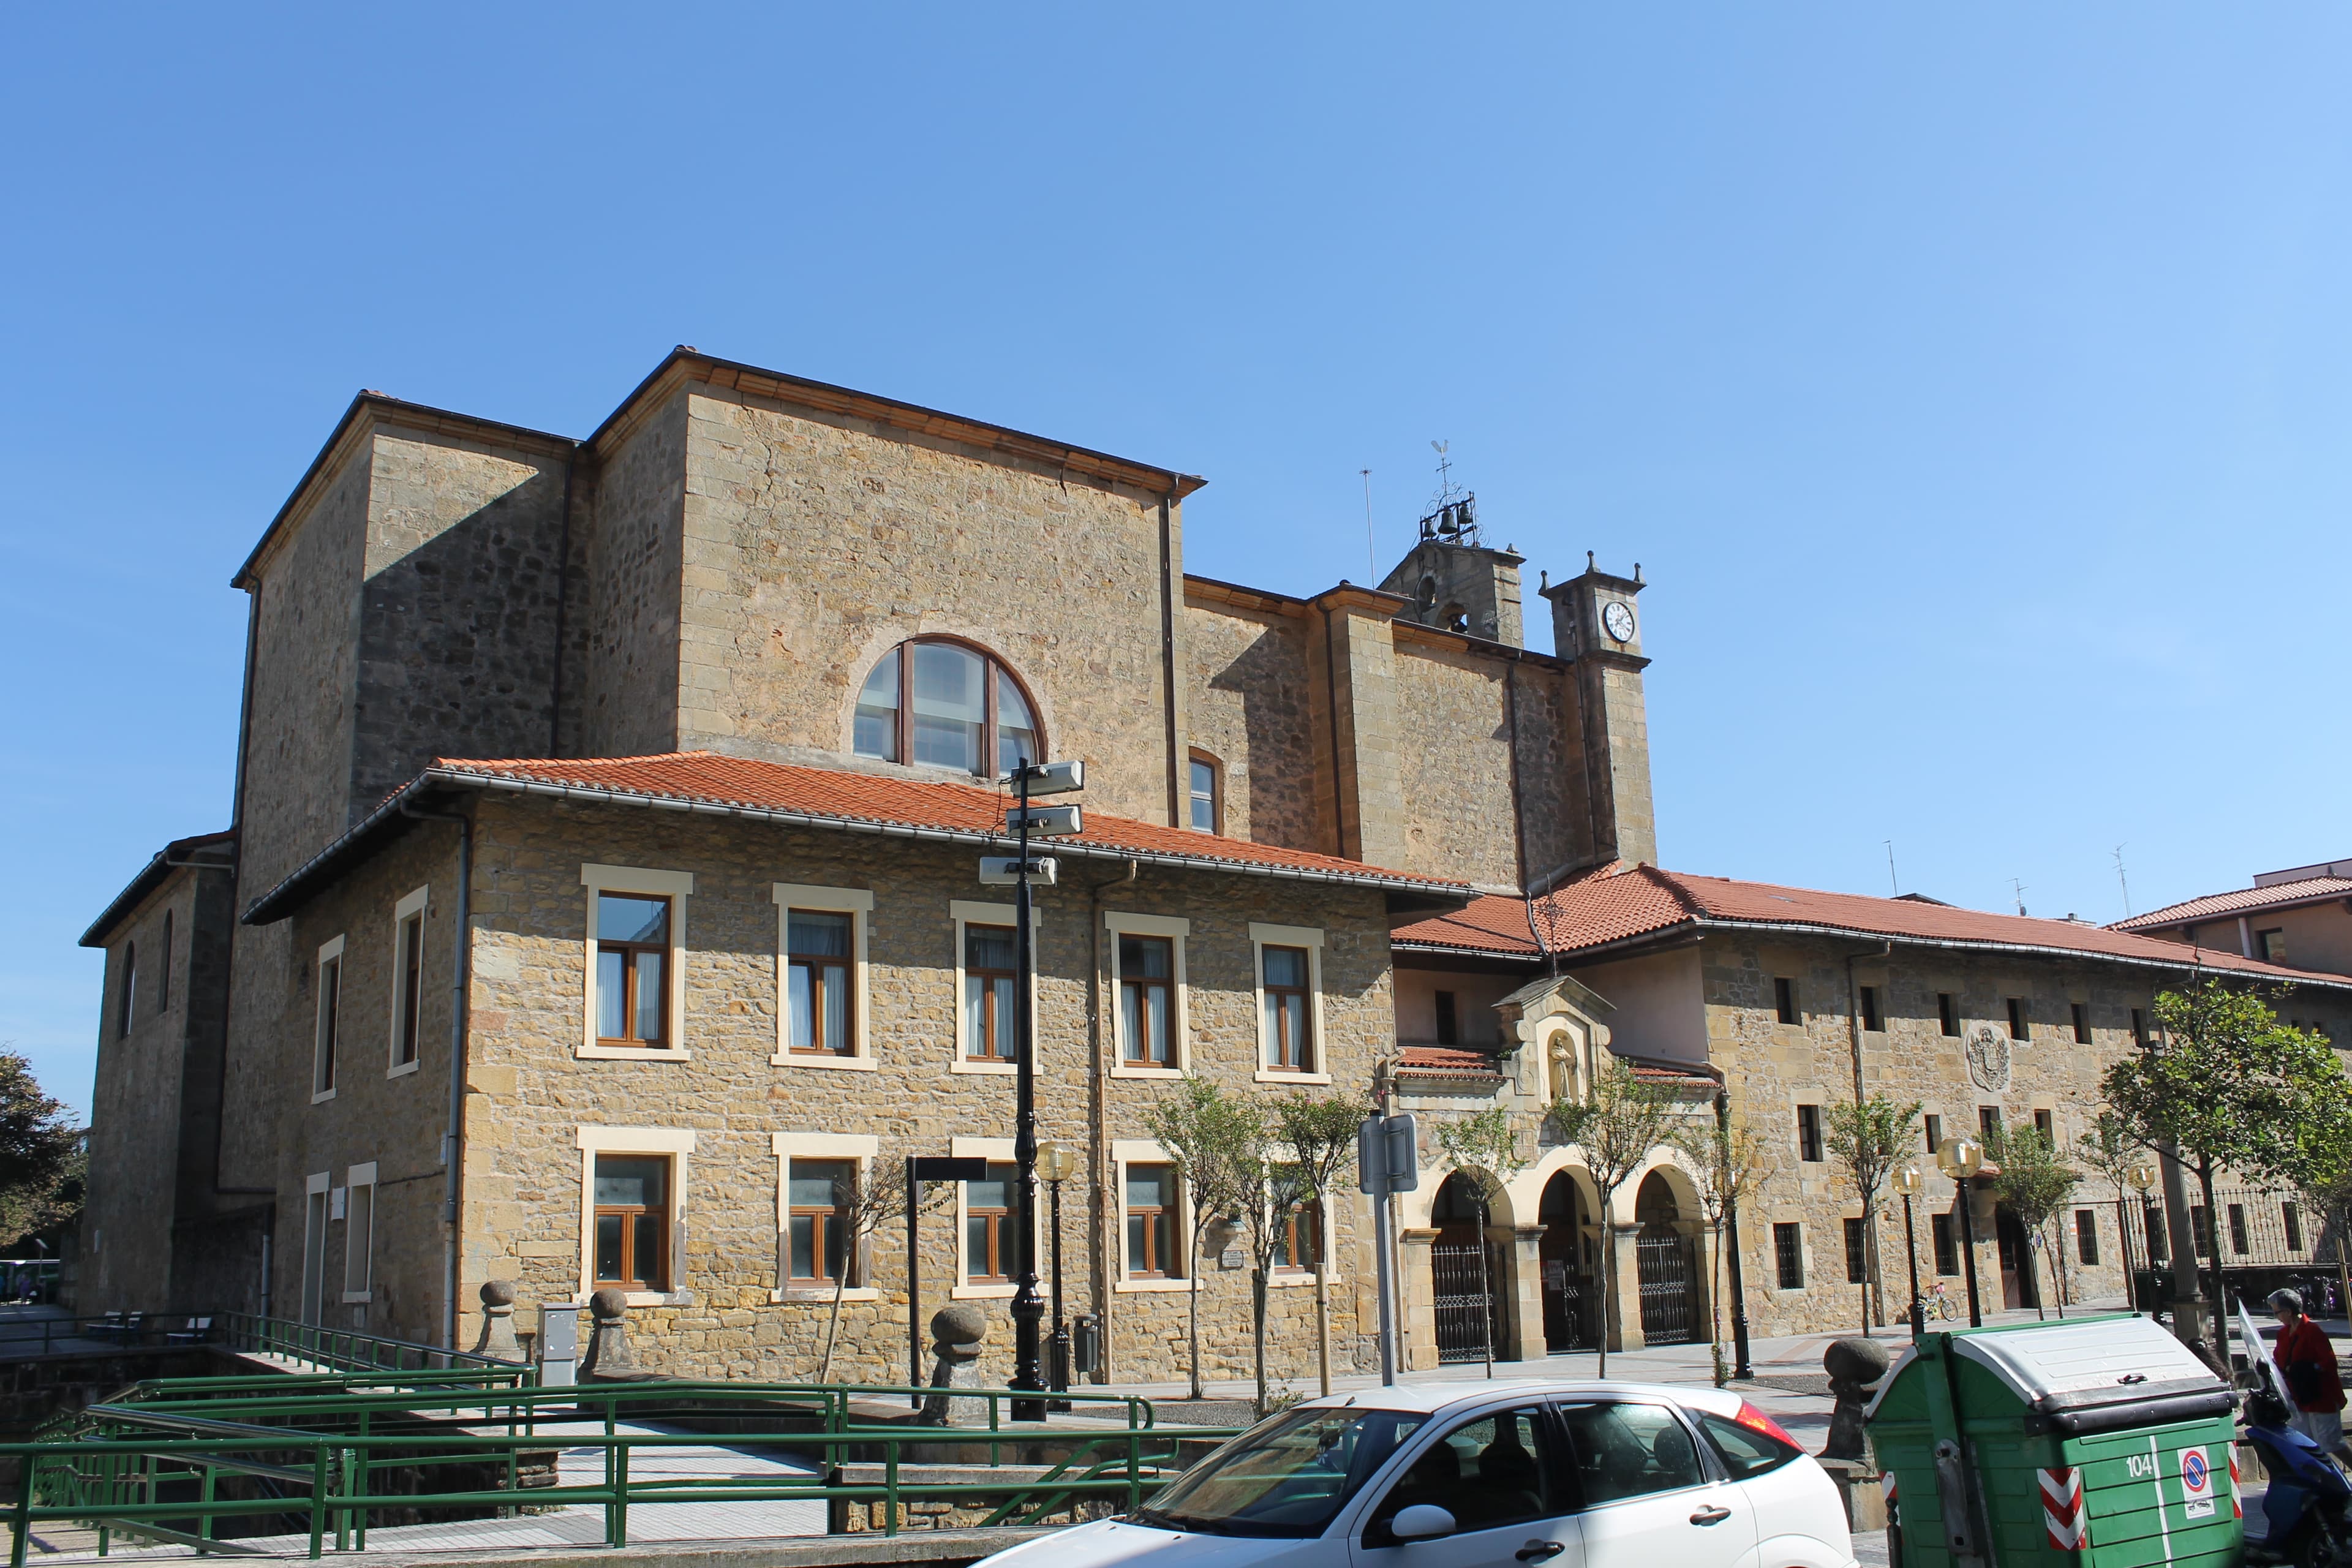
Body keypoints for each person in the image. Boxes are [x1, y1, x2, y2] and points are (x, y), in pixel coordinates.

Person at [2270, 1288, 2348, 1457]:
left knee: (2331, 1443)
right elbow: (2279, 1359)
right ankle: (2318, 1481)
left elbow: (2329, 1362)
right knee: (2304, 1444)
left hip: (2320, 1396)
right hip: (2298, 1397)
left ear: (2289, 1312)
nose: (2276, 1316)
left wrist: (2309, 1369)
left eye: (2277, 1312)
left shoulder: (2312, 1331)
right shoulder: (2283, 1333)